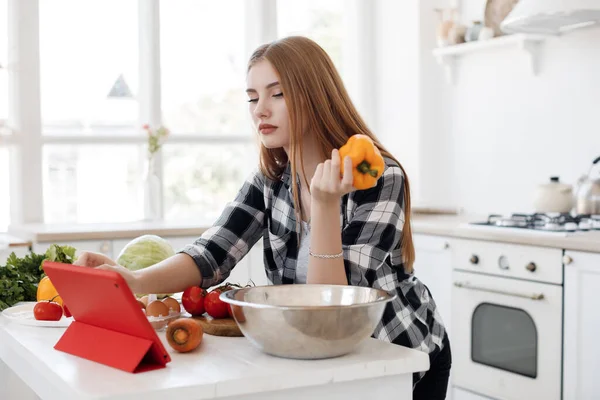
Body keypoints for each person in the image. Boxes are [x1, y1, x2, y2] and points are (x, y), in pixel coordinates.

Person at [75, 36, 451, 399]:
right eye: (253, 98)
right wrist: (135, 281)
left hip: (398, 355)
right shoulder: (271, 180)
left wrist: (323, 206)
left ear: (315, 96)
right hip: (314, 355)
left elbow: (334, 308)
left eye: (277, 93)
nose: (260, 110)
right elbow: (213, 252)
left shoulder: (378, 177)